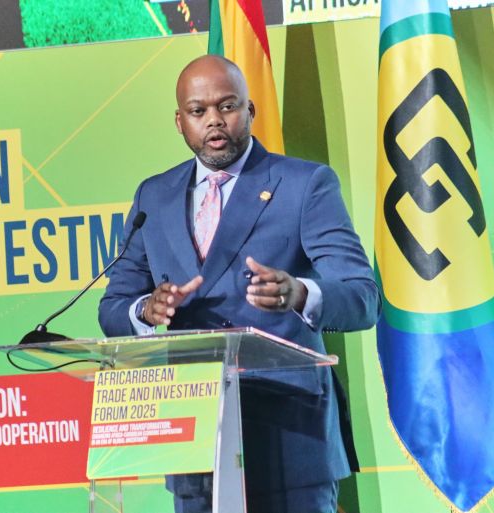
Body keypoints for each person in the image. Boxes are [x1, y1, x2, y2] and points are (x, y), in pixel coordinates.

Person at [98, 55, 380, 513]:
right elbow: (113, 308)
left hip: (290, 436)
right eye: (198, 111)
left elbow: (362, 297)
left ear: (250, 110)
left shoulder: (304, 184)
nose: (214, 120)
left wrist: (299, 293)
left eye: (227, 106)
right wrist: (145, 310)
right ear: (180, 121)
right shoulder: (155, 196)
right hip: (195, 438)